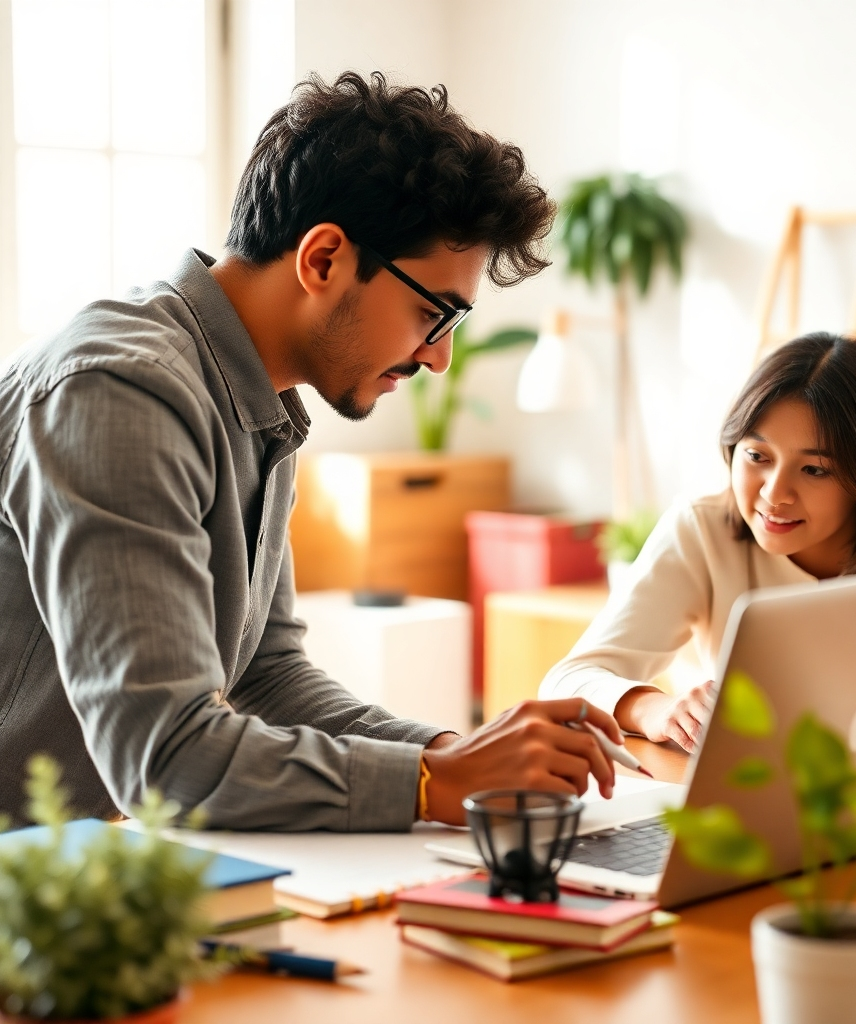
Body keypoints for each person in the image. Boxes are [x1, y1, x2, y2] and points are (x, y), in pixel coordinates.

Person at [0, 71, 623, 830]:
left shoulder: (260, 400)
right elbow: (163, 759)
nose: (438, 360)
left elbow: (267, 675)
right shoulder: (121, 392)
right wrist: (431, 781)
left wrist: (461, 757)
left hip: (86, 868)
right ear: (323, 259)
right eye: (434, 314)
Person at [540, 332, 856, 751]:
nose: (774, 494)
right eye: (756, 455)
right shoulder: (702, 529)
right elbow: (568, 681)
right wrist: (653, 709)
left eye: (814, 469)